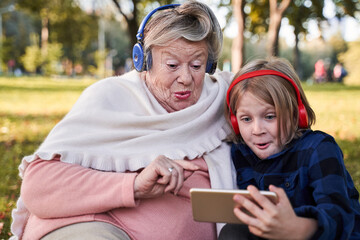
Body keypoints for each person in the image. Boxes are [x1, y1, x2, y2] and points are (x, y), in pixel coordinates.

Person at [10, 1, 236, 239]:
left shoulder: (222, 98)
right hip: (90, 228)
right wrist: (134, 185)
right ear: (143, 61)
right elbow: (39, 187)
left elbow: (273, 92)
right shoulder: (111, 96)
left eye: (197, 65)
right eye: (172, 65)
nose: (186, 78)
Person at [220, 57, 360, 239]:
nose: (257, 130)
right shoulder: (241, 151)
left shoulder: (319, 149)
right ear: (235, 122)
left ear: (297, 114)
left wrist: (298, 229)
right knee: (232, 232)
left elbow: (340, 217)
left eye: (270, 116)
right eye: (246, 119)